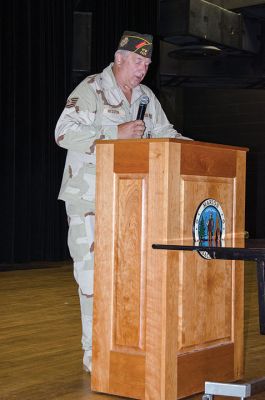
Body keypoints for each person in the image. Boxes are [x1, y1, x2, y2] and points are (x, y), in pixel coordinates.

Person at [55, 30, 191, 373]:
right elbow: (63, 132)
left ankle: (123, 348)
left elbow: (165, 132)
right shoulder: (92, 89)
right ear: (119, 59)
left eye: (147, 63)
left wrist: (194, 149)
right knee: (92, 279)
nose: (143, 69)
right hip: (88, 198)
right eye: (137, 61)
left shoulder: (145, 96)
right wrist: (114, 133)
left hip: (128, 201)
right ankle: (93, 353)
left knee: (126, 277)